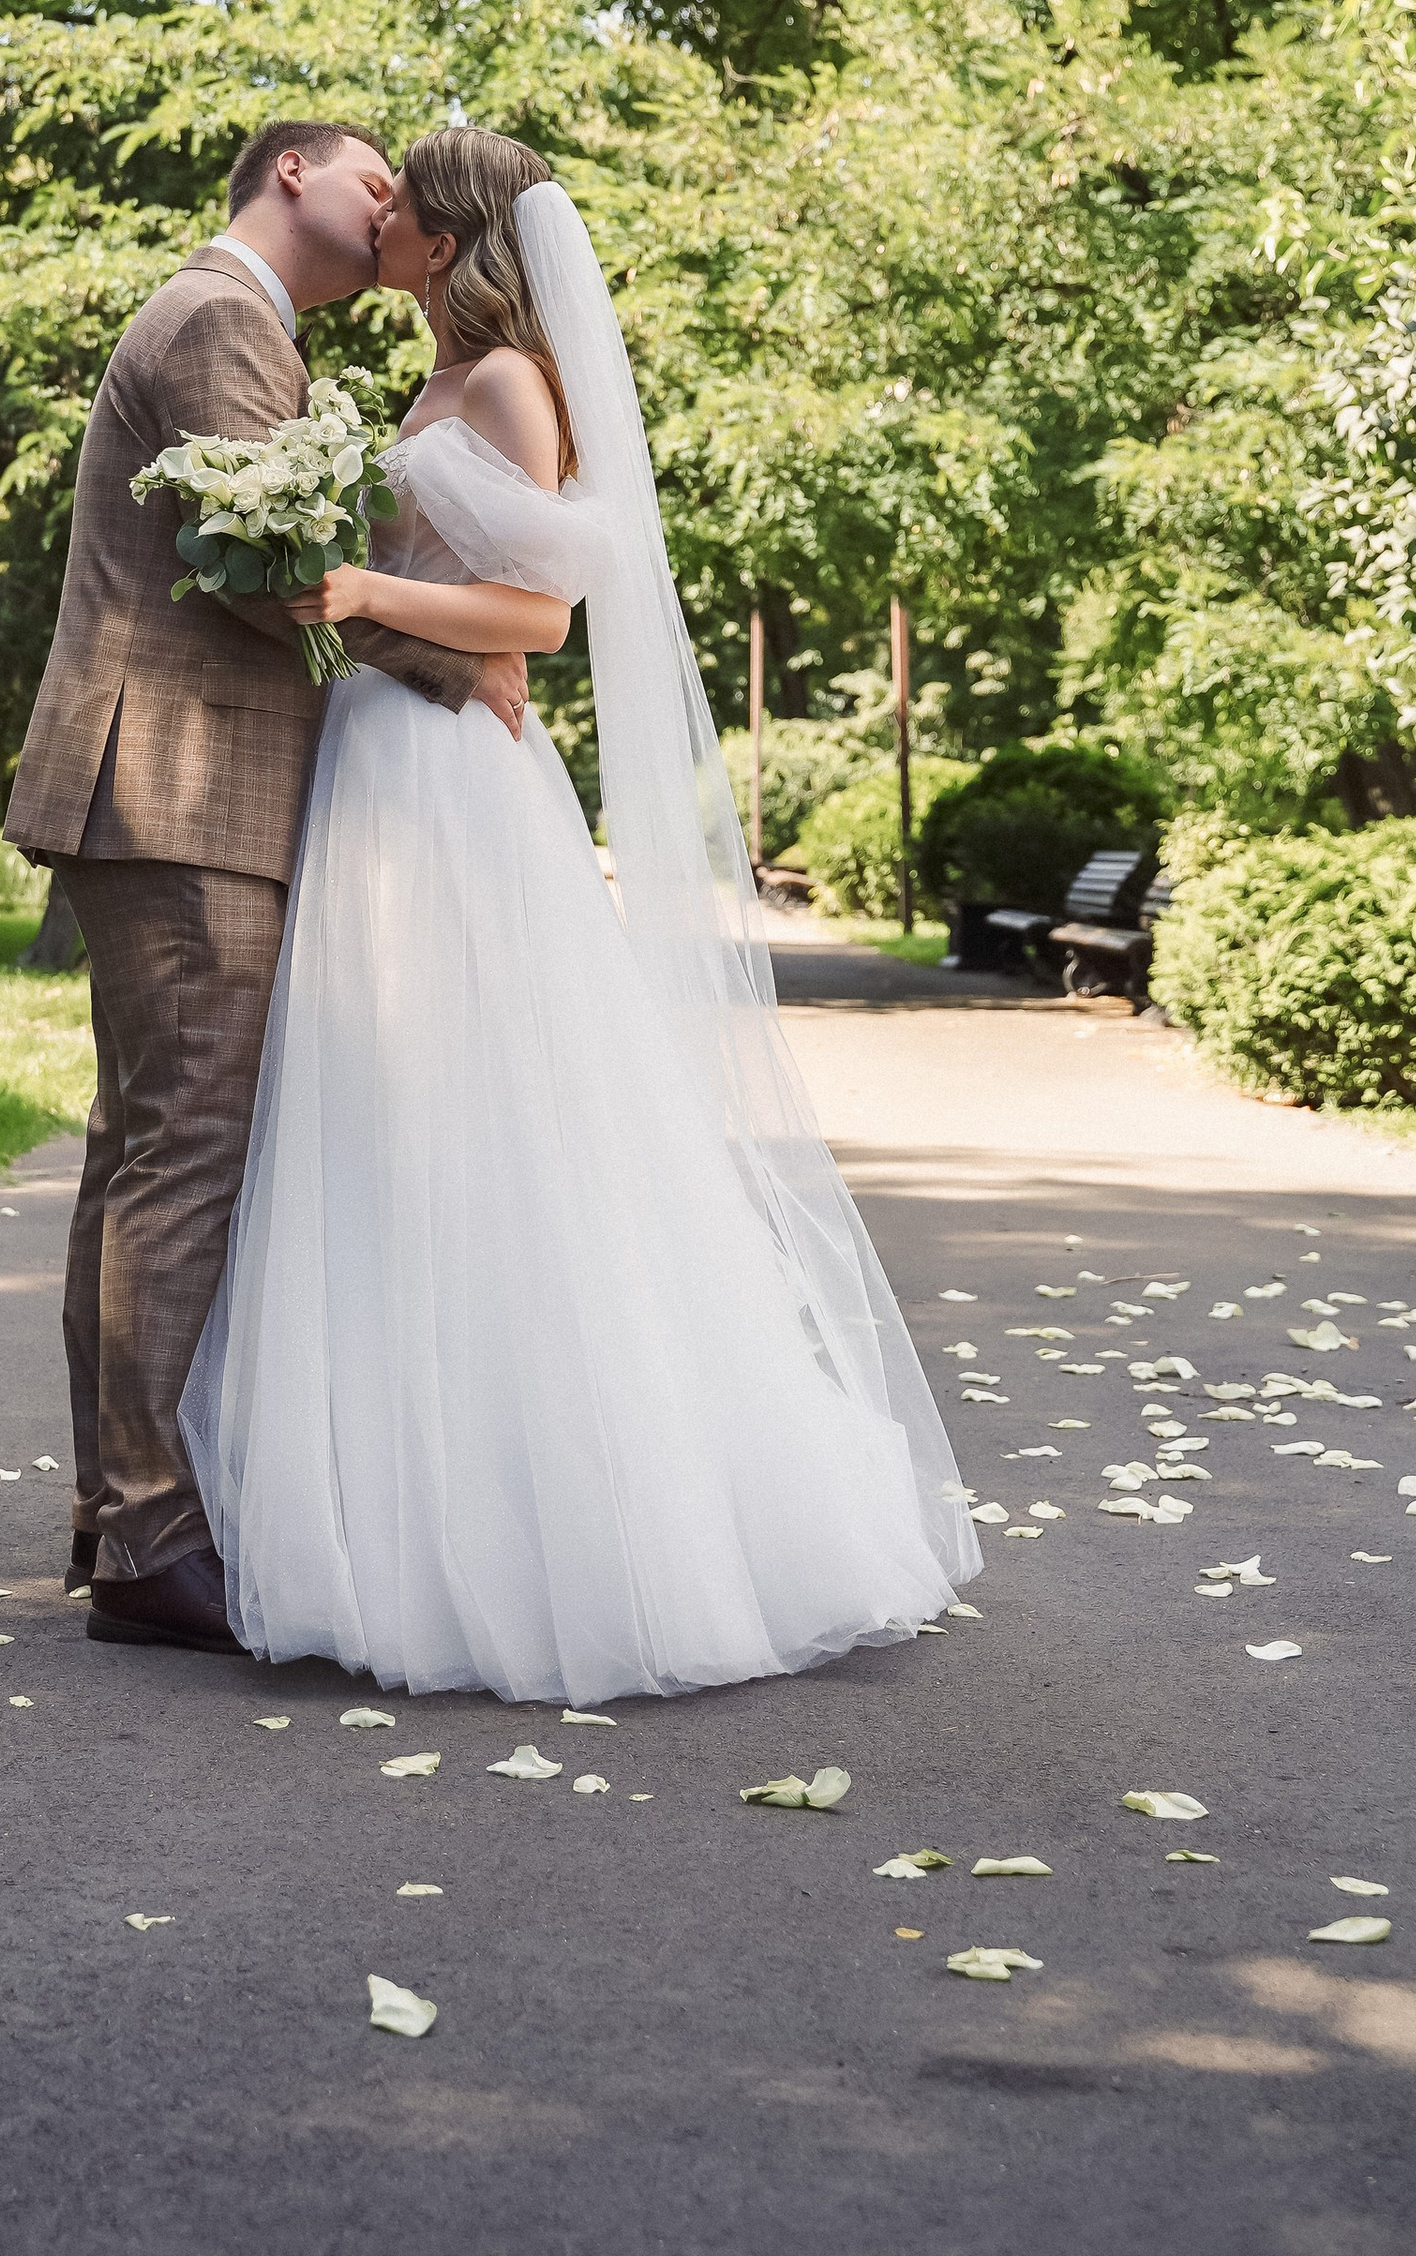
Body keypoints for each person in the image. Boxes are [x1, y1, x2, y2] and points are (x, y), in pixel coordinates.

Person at [181, 126, 977, 1701]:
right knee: (381, 1121)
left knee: (486, 1126)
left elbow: (539, 616)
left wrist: (359, 593)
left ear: (459, 235)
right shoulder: (429, 382)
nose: (384, 220)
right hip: (382, 766)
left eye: (408, 205)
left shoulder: (507, 386)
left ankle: (552, 1538)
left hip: (453, 785)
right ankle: (378, 1512)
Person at [5, 120, 530, 1655]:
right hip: (181, 790)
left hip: (170, 793)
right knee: (184, 1157)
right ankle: (155, 1540)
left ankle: (127, 1517)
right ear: (288, 173)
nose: (393, 207)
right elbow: (261, 566)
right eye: (374, 175)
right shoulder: (227, 315)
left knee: (140, 1152)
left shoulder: (245, 322)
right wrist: (458, 659)